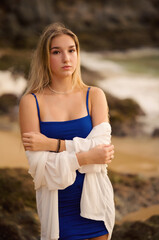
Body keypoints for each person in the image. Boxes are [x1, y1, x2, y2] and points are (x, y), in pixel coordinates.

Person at [19, 22, 115, 240]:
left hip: (96, 206)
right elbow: (40, 170)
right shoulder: (31, 102)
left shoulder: (94, 96)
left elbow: (103, 152)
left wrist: (54, 145)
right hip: (57, 208)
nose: (66, 58)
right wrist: (85, 157)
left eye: (71, 50)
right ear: (45, 57)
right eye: (56, 52)